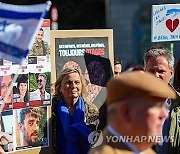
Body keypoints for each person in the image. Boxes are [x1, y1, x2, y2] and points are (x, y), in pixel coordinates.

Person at [89, 71, 176, 154]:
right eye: (157, 106)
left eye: (164, 107)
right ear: (126, 113)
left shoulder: (141, 149)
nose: (165, 115)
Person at [52, 67, 99, 154]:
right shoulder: (51, 112)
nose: (73, 86)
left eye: (77, 82)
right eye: (68, 83)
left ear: (82, 86)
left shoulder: (92, 111)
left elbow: (97, 140)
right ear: (60, 88)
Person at [143, 46, 180, 154]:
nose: (156, 76)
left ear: (171, 73)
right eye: (151, 71)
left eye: (161, 71)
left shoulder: (177, 105)